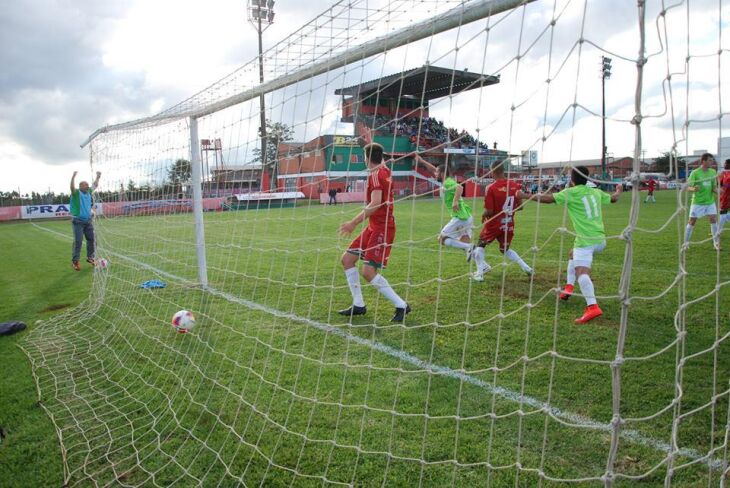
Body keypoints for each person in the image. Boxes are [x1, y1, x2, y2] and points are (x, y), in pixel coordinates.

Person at [528, 166, 622, 324]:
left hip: (586, 241)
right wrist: (618, 189)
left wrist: (524, 195)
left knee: (582, 273)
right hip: (600, 240)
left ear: (571, 179)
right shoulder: (595, 192)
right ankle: (568, 288)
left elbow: (548, 199)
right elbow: (613, 199)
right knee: (572, 254)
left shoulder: (570, 193)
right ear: (587, 178)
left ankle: (592, 307)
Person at [338, 142, 410, 322]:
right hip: (373, 226)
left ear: (366, 158)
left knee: (368, 272)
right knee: (347, 259)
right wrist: (370, 143)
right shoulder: (385, 170)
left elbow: (376, 203)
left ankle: (401, 305)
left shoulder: (376, 175)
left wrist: (353, 222)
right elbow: (380, 159)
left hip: (382, 228)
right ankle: (359, 304)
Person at [471, 159, 533, 281]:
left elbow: (489, 211)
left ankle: (479, 274)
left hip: (494, 224)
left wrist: (484, 214)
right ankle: (526, 268)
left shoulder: (491, 188)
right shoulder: (515, 185)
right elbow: (521, 207)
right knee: (505, 249)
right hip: (508, 223)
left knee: (480, 245)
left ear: (492, 171)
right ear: (503, 171)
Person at [412, 153, 474, 260]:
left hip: (460, 217)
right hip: (465, 216)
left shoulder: (448, 183)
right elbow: (433, 169)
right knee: (464, 243)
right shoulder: (446, 181)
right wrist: (422, 161)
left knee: (442, 238)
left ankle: (469, 247)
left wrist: (455, 201)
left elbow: (460, 187)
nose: (434, 174)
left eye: (437, 172)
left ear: (441, 173)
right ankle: (483, 266)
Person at [684, 153, 720, 251]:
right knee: (691, 222)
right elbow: (687, 187)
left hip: (710, 202)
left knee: (713, 220)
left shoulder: (713, 172)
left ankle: (716, 244)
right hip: (697, 202)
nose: (711, 162)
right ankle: (686, 243)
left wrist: (719, 192)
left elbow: (714, 188)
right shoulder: (695, 173)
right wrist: (693, 189)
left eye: (712, 160)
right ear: (703, 161)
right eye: (709, 160)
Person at [70, 170, 101, 271]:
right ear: (80, 186)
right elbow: (72, 188)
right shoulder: (76, 193)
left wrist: (98, 176)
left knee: (92, 239)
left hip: (88, 221)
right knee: (78, 241)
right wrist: (73, 177)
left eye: (88, 185)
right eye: (85, 185)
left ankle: (90, 258)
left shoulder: (89, 192)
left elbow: (95, 185)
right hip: (78, 221)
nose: (88, 186)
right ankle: (75, 262)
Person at [717, 158, 730, 235]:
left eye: (726, 163)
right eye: (724, 163)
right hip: (724, 196)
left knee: (722, 213)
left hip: (727, 197)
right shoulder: (723, 173)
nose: (724, 165)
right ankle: (718, 231)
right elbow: (719, 184)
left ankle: (718, 231)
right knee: (722, 213)